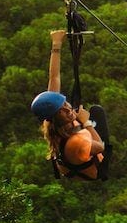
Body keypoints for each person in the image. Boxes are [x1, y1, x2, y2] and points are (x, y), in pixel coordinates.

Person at [30, 29, 111, 181]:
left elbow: (54, 78)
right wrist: (86, 123)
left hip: (75, 152)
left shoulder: (51, 117)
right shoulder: (76, 142)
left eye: (65, 104)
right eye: (64, 110)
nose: (68, 108)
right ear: (57, 116)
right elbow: (100, 147)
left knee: (86, 111)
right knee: (96, 111)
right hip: (93, 169)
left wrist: (56, 43)